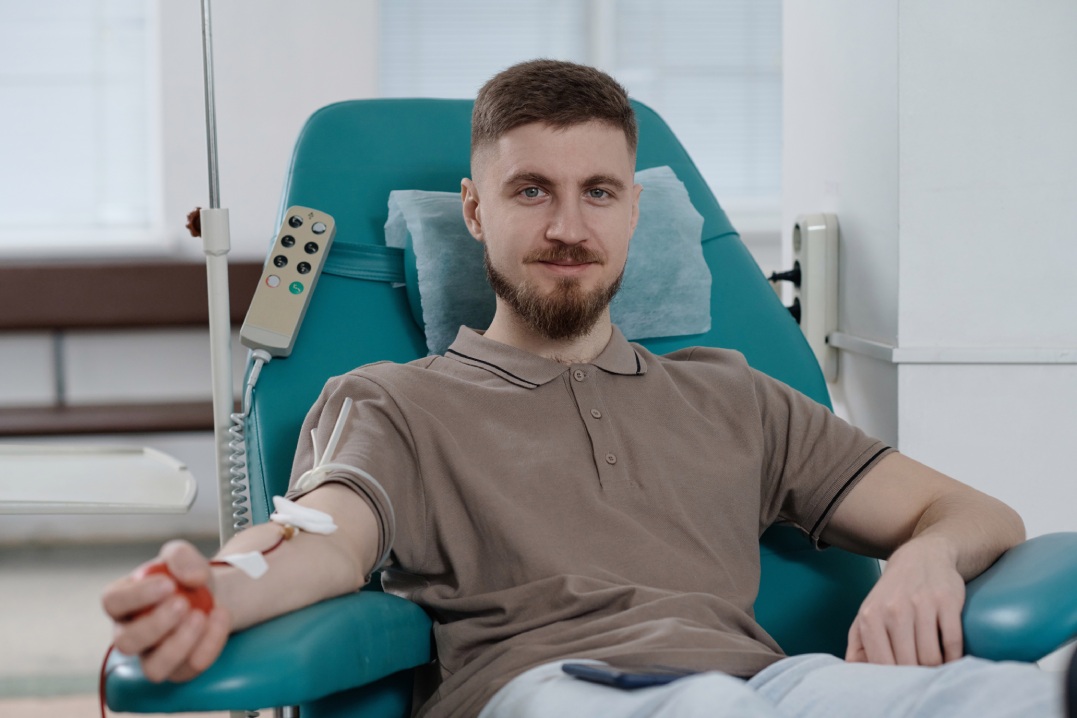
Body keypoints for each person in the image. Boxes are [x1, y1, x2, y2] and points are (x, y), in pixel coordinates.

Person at [102, 59, 1061, 718]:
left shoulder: (732, 395)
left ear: (633, 210)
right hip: (554, 689)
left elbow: (969, 511)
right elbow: (323, 538)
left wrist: (925, 560)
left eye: (597, 191)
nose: (568, 225)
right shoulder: (394, 401)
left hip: (770, 687)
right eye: (531, 191)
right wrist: (213, 597)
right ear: (473, 212)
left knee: (1011, 696)